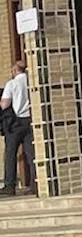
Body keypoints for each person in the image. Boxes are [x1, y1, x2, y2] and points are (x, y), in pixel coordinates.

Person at [1, 59, 35, 197]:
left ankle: (10, 186)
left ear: (15, 70)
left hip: (15, 123)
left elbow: (4, 104)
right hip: (30, 120)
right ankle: (35, 184)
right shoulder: (31, 81)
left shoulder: (12, 83)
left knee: (10, 153)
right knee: (31, 154)